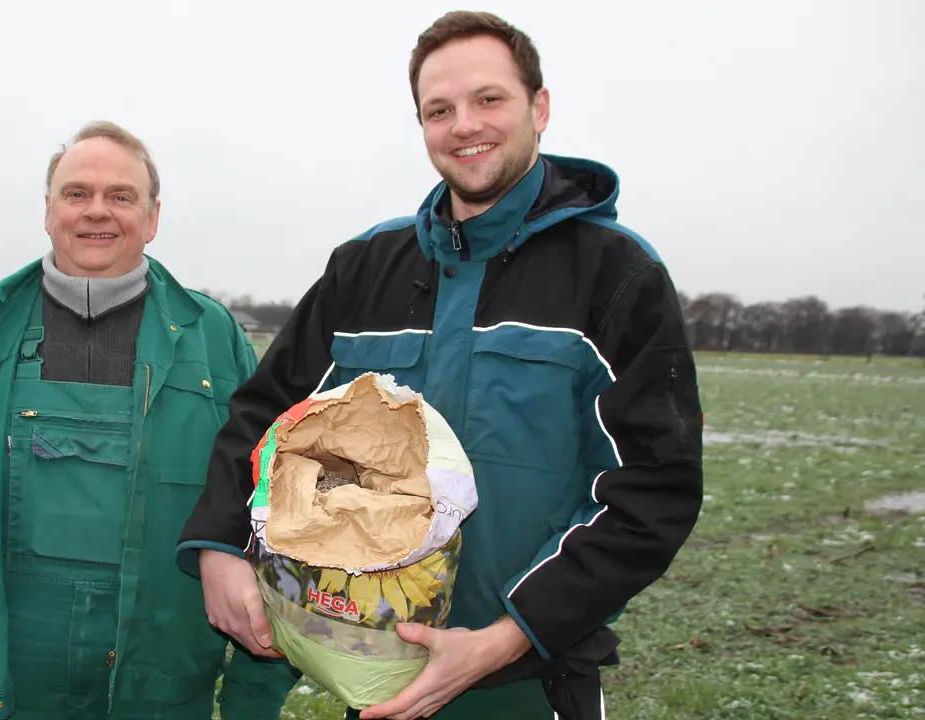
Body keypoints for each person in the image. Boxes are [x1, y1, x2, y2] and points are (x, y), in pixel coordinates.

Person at [176, 11, 703, 720]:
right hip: (371, 676)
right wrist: (217, 547)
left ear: (539, 108)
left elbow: (653, 490)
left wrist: (508, 636)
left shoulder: (615, 273)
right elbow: (263, 414)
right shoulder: (364, 267)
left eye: (489, 99)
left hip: (526, 683)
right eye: (439, 109)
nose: (464, 124)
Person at [0, 121, 300, 720]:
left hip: (159, 696)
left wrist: (255, 697)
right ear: (48, 212)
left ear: (152, 219)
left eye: (121, 196)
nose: (98, 212)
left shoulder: (215, 339)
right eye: (77, 194)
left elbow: (267, 528)